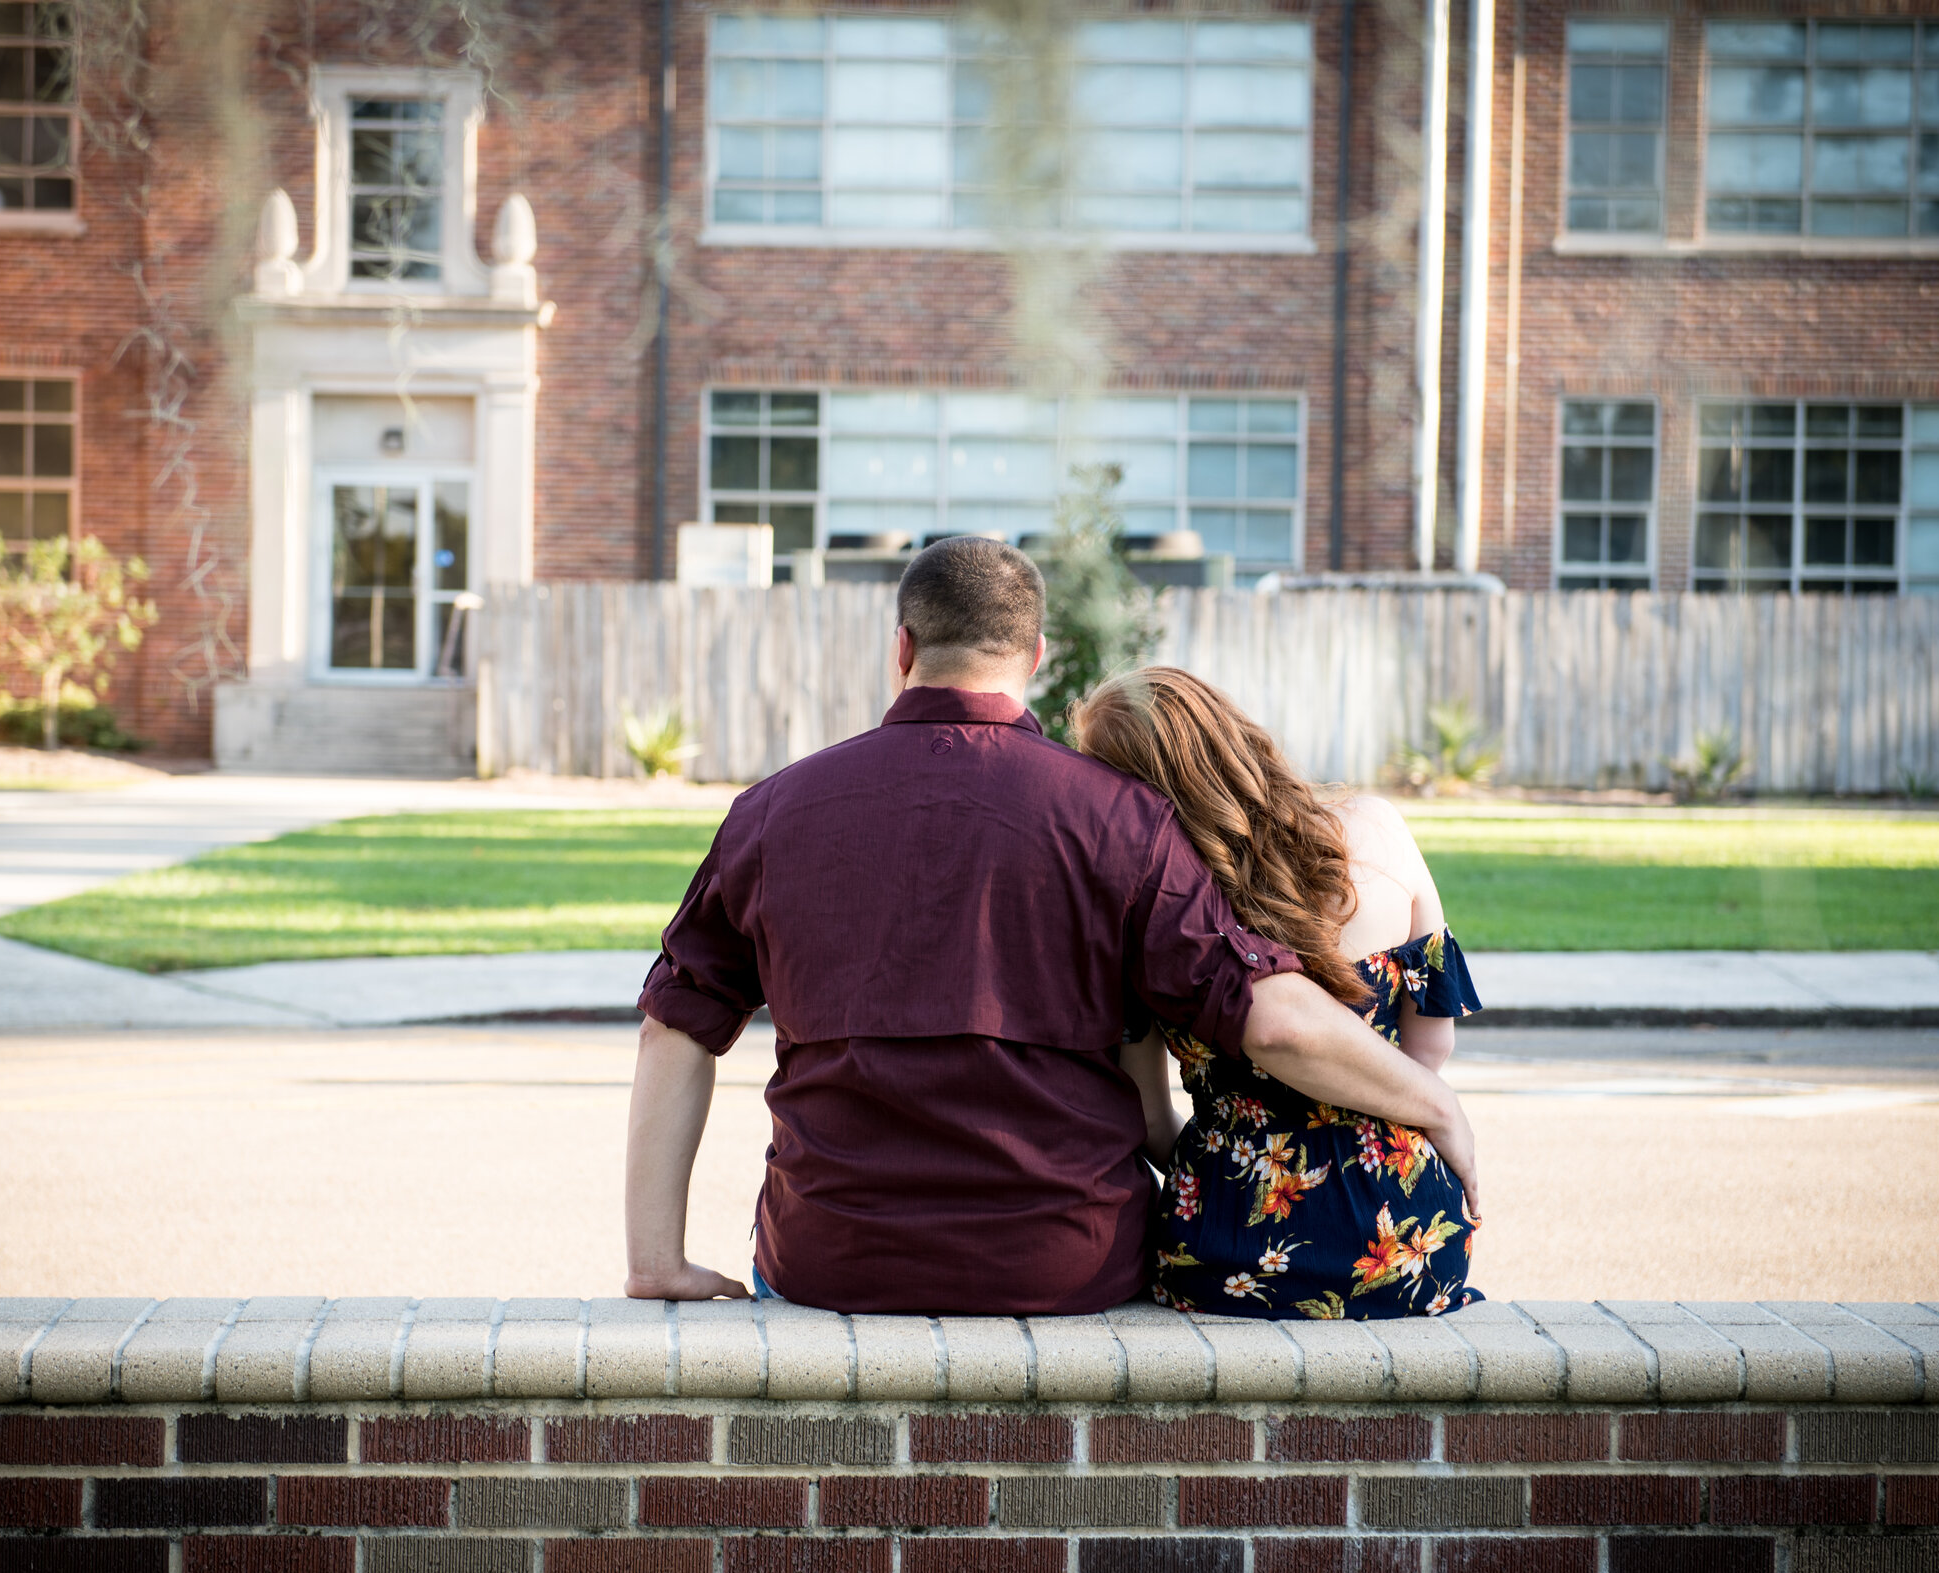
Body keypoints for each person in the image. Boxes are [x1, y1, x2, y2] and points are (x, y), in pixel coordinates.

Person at [624, 536, 1477, 1314]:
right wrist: (1434, 1103)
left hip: (830, 1263)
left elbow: (676, 1027)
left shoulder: (771, 813)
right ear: (1034, 656)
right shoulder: (1124, 821)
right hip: (1066, 1267)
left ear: (903, 647)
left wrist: (657, 1262)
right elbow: (1273, 1018)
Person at [1072, 666, 1483, 1320]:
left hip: (1218, 1250)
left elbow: (1149, 1119)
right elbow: (1432, 1044)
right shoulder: (1377, 829)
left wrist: (1223, 1162)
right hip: (1401, 1245)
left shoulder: (1155, 909)